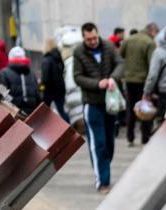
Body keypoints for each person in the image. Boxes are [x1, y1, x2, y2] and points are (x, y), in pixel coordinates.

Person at [72, 22, 124, 193]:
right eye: (89, 39)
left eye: (94, 38)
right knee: (98, 143)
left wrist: (113, 79)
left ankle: (102, 169)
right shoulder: (78, 52)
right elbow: (77, 77)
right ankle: (103, 181)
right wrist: (97, 84)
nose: (93, 41)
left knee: (109, 142)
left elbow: (120, 64)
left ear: (98, 34)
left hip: (110, 103)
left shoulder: (109, 46)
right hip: (91, 103)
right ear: (83, 38)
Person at [120, 22, 158, 146]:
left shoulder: (128, 40)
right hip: (143, 81)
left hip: (129, 80)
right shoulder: (149, 42)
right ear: (152, 31)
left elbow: (121, 56)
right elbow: (152, 64)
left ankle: (130, 137)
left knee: (131, 109)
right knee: (145, 108)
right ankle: (144, 137)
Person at [0, 46, 41, 116]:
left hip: (13, 113)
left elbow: (2, 94)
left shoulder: (4, 73)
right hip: (30, 113)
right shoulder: (32, 74)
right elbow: (38, 96)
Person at [40, 37, 70, 122]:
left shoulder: (46, 60)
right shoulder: (58, 58)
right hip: (60, 88)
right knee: (61, 110)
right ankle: (69, 128)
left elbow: (45, 79)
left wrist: (41, 88)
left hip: (49, 91)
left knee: (44, 113)